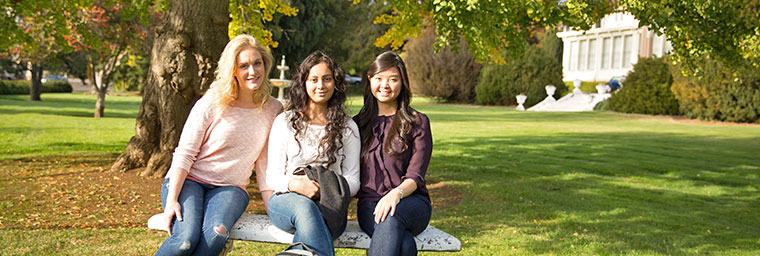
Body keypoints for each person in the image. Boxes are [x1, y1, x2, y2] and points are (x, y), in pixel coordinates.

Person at [155, 34, 283, 255]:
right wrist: (172, 201)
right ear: (232, 69)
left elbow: (264, 165)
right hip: (190, 181)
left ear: (265, 65)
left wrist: (273, 209)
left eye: (257, 63)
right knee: (186, 239)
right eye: (243, 66)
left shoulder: (273, 109)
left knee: (217, 232)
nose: (252, 71)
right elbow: (184, 153)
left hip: (231, 188)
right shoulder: (213, 102)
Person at [266, 51, 360, 256]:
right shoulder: (285, 122)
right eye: (314, 79)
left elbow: (354, 179)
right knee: (305, 207)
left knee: (307, 235)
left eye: (327, 79)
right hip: (285, 201)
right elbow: (272, 176)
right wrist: (296, 184)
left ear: (335, 83)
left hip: (330, 205)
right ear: (304, 83)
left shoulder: (348, 127)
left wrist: (327, 188)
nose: (321, 86)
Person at [352, 51, 433, 256]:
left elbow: (416, 175)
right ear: (370, 80)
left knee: (391, 216)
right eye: (379, 78)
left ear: (402, 82)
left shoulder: (417, 122)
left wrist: (395, 194)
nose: (385, 85)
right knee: (405, 245)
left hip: (411, 202)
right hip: (370, 206)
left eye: (393, 79)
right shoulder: (357, 124)